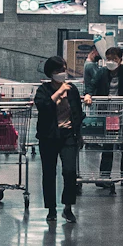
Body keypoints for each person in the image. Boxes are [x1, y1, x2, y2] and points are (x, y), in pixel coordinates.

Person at [33, 53, 82, 218]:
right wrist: (58, 93)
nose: (63, 73)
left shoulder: (72, 90)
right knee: (49, 172)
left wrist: (78, 135)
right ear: (51, 72)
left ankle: (68, 207)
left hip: (68, 135)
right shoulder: (43, 90)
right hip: (48, 137)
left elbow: (78, 113)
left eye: (64, 70)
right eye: (60, 70)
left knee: (69, 171)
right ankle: (51, 209)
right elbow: (43, 107)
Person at [84, 43, 123, 191]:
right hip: (107, 113)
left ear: (120, 59)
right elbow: (92, 85)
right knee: (108, 143)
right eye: (108, 59)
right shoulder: (101, 72)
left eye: (113, 59)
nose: (110, 62)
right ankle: (105, 175)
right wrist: (88, 94)